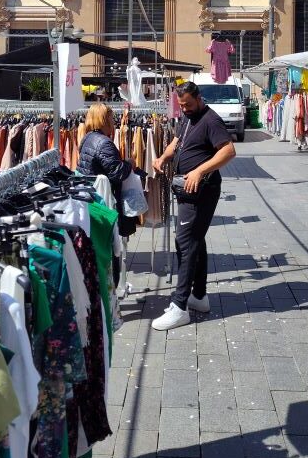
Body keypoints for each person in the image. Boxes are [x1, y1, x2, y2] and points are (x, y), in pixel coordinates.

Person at [151, 81, 236, 331]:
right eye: (182, 105)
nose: (185, 109)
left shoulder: (211, 120)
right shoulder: (187, 117)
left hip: (202, 191)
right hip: (187, 190)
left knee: (186, 243)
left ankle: (180, 307)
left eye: (188, 104)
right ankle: (199, 297)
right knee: (196, 239)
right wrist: (164, 157)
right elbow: (176, 142)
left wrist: (199, 170)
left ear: (199, 98)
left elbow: (229, 151)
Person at [76, 102, 132, 192]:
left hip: (90, 192)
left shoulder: (88, 137)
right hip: (102, 197)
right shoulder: (104, 143)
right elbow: (117, 173)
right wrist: (129, 164)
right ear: (104, 120)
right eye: (111, 118)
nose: (113, 121)